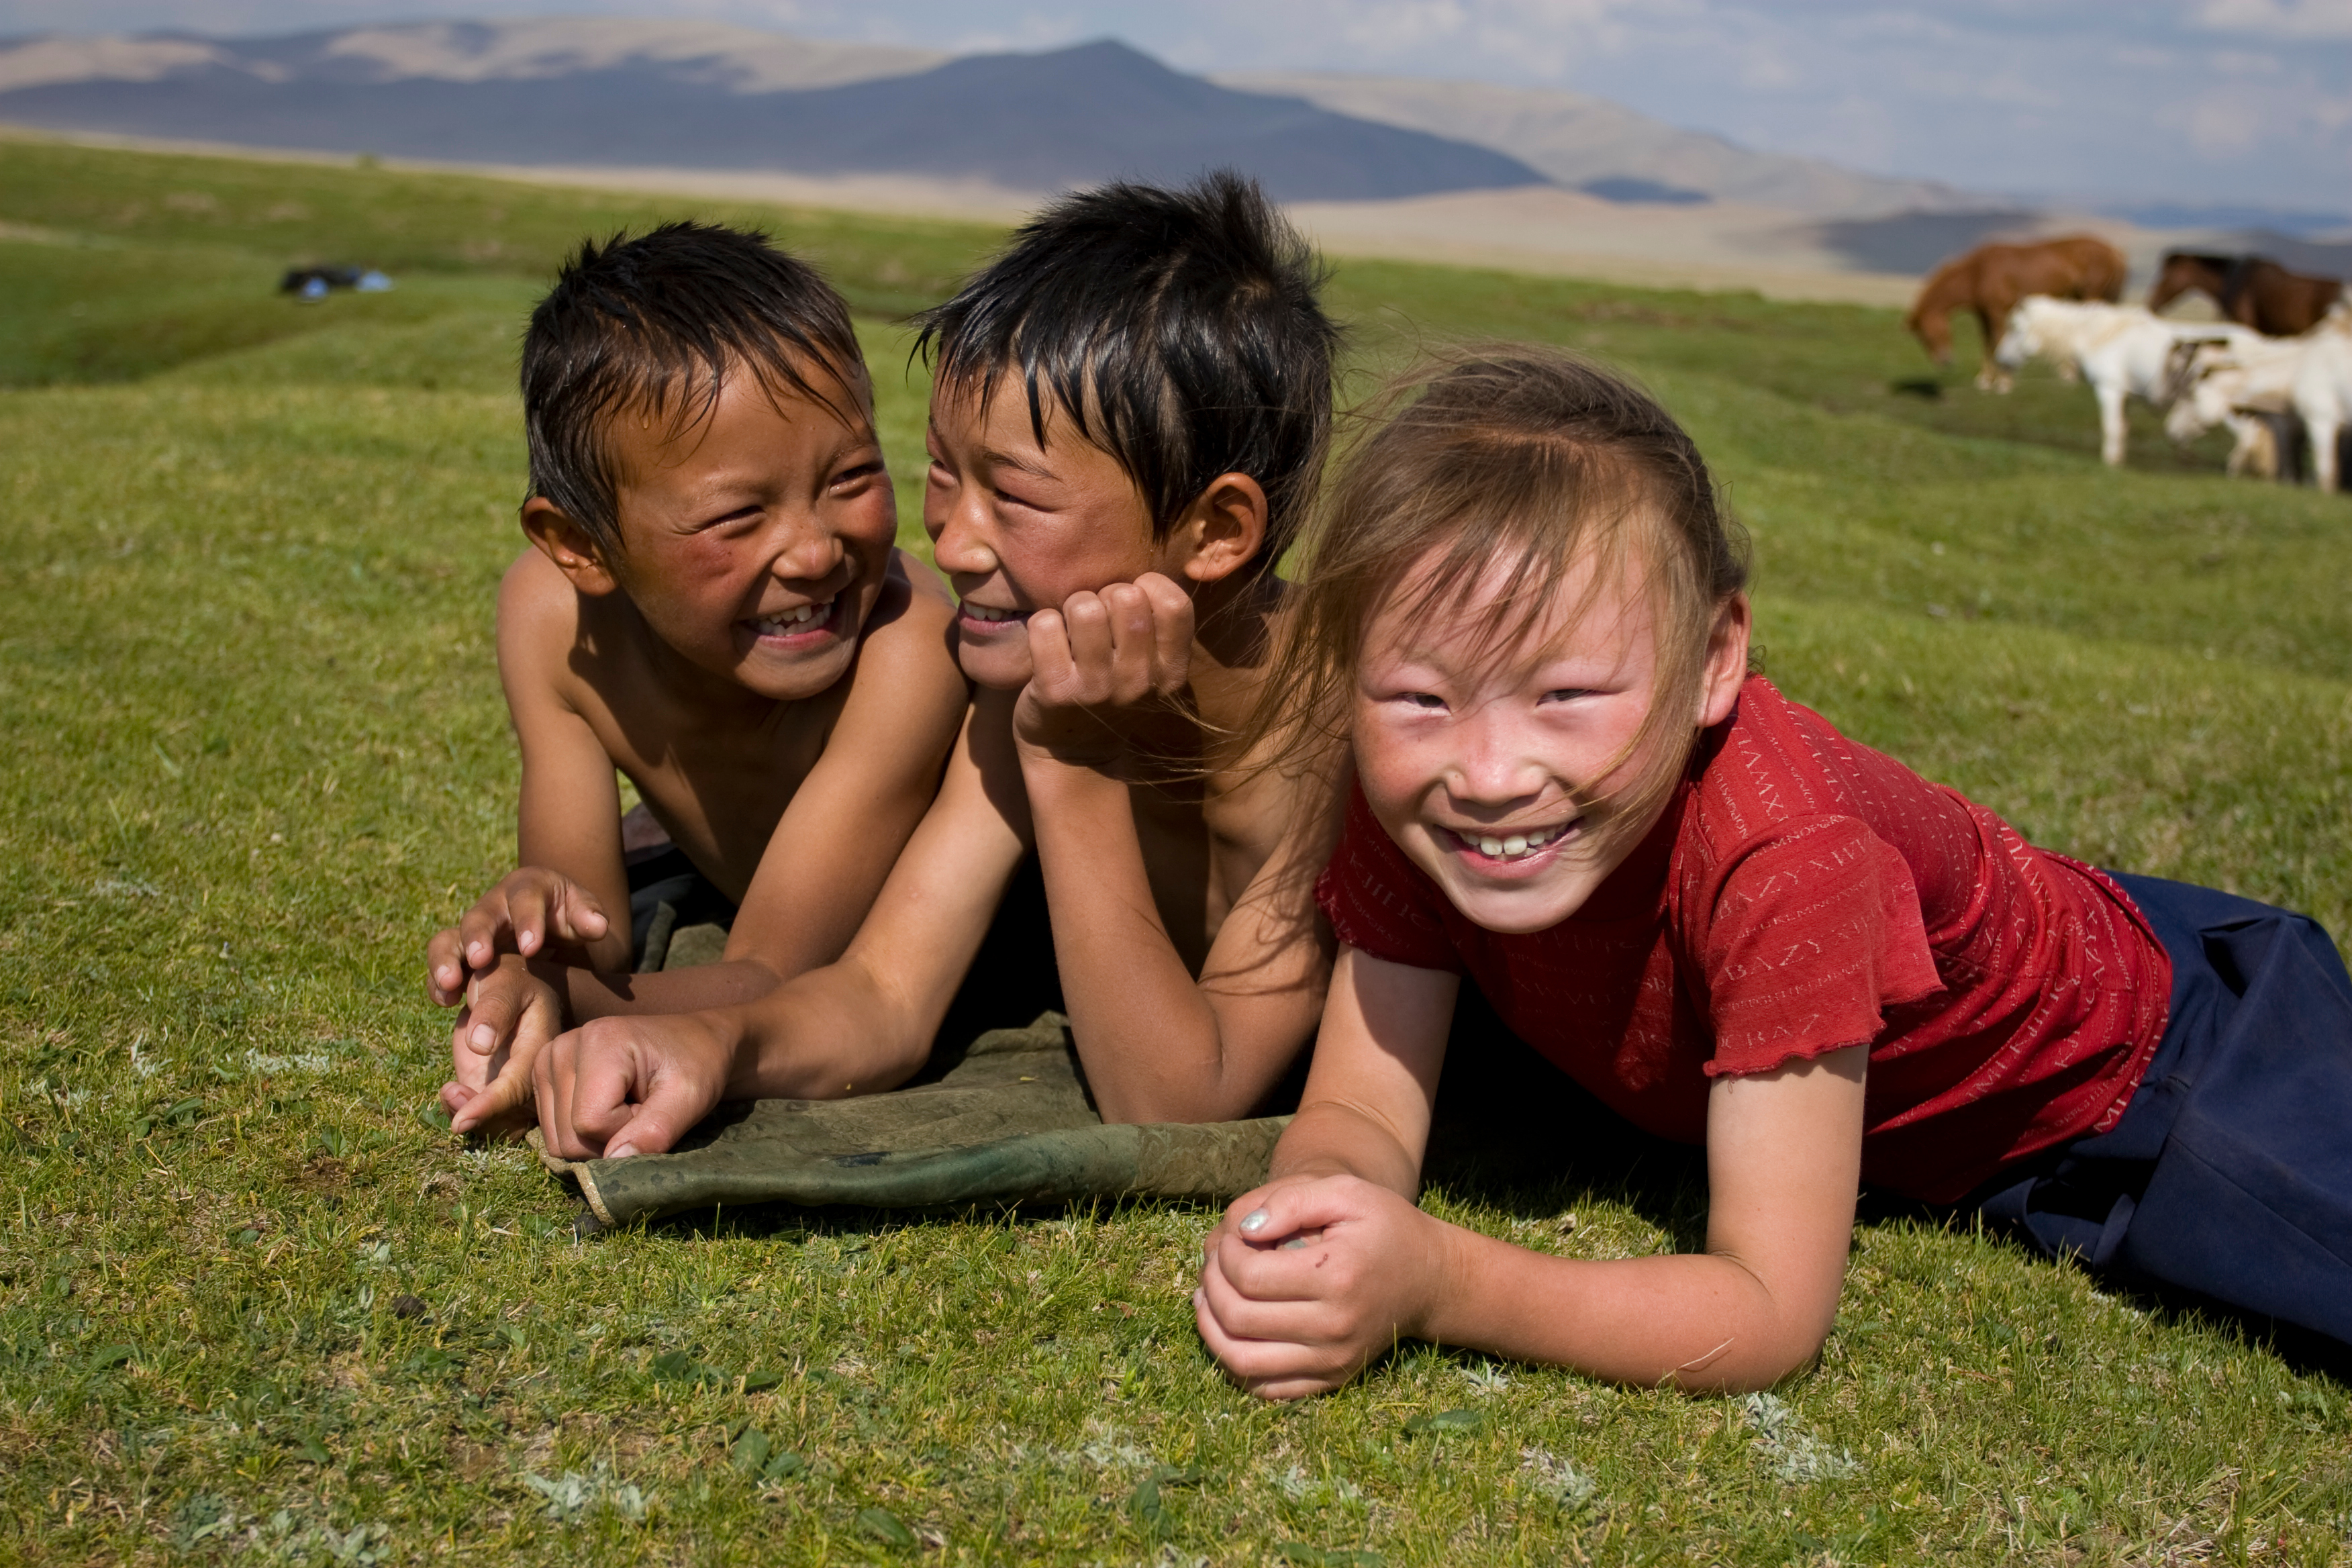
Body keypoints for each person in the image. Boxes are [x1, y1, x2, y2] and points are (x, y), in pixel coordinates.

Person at [1193, 345, 2352, 1398]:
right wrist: (1322, 1212)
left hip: (2172, 1072)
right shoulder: (1408, 803)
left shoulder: (1786, 858)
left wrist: (1436, 1280)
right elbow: (1356, 1106)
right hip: (1944, 1118)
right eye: (1420, 697)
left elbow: (1764, 1309)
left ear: (1715, 659)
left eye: (1565, 696)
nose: (1488, 770)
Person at [526, 171, 1348, 1163]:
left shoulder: (1332, 735)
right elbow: (883, 995)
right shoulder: (1021, 689)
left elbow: (1172, 1092)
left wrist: (1073, 766)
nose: (953, 545)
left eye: (1017, 500)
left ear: (1215, 531)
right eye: (942, 478)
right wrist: (713, 1042)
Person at [425, 222, 969, 1136]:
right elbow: (594, 932)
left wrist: (573, 1002)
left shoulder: (909, 654)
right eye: (737, 515)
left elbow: (772, 977)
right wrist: (531, 956)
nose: (813, 549)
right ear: (581, 548)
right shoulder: (553, 622)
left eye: (852, 478)